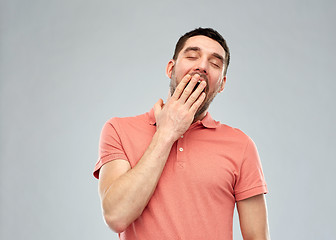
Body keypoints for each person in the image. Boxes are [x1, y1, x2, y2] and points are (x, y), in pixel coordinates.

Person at [93, 27, 270, 240]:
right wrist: (166, 132)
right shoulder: (118, 130)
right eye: (192, 56)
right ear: (171, 68)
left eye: (215, 64)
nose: (202, 66)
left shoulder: (241, 145)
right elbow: (116, 216)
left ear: (221, 84)